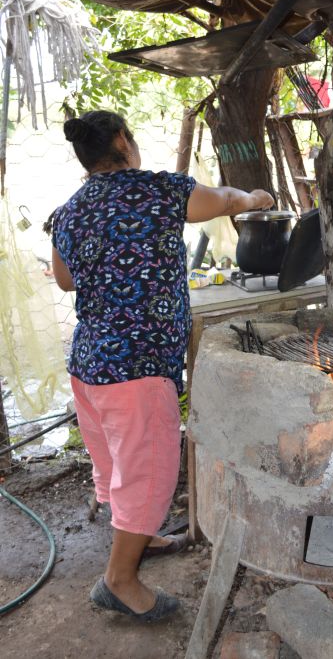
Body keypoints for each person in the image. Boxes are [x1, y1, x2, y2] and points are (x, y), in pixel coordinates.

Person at [49, 110, 274, 622]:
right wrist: (254, 198)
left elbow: (64, 280)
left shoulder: (69, 211)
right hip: (138, 366)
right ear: (123, 140)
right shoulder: (160, 190)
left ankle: (140, 538)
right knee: (149, 472)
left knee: (117, 463)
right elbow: (225, 199)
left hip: (89, 365)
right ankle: (119, 580)